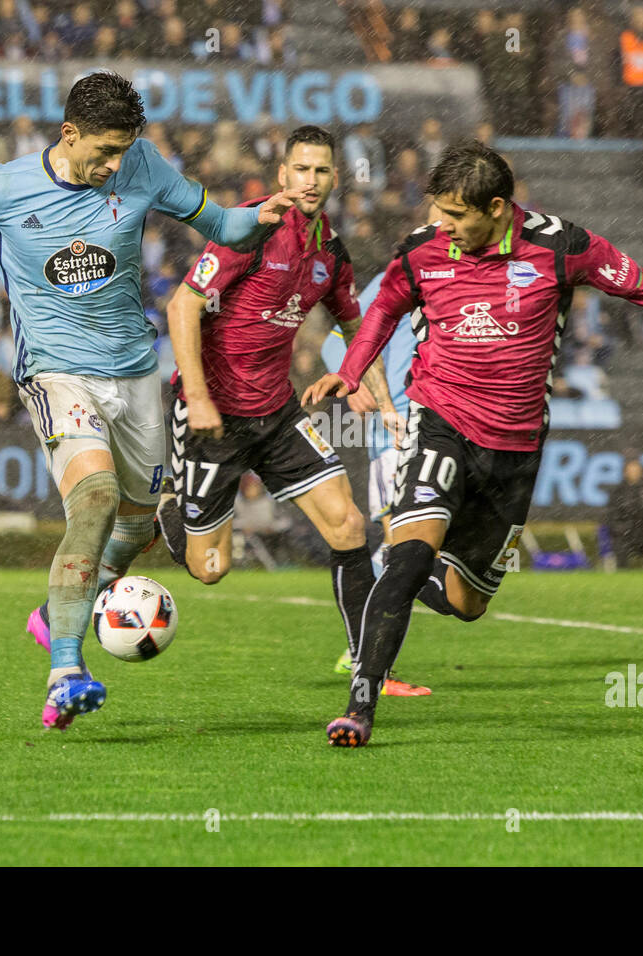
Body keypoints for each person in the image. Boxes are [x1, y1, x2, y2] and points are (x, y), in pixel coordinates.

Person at [0, 71, 307, 730]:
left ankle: (57, 614)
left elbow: (220, 223)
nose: (114, 166)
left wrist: (259, 219)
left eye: (123, 152)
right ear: (68, 134)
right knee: (94, 497)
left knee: (136, 526)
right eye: (103, 152)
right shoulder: (0, 185)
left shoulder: (143, 166)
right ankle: (66, 671)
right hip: (55, 373)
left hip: (132, 373)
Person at [303, 140, 643, 746]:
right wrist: (350, 373)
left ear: (498, 207)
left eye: (456, 216)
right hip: (439, 420)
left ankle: (421, 577)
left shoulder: (563, 247)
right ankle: (361, 704)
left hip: (515, 448)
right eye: (439, 213)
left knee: (468, 605)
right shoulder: (423, 252)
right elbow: (381, 313)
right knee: (407, 552)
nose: (442, 227)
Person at [154, 125, 426, 696]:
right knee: (211, 571)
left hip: (276, 413)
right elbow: (182, 306)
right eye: (301, 169)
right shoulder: (247, 230)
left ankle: (365, 666)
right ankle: (170, 508)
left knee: (349, 524)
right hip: (213, 416)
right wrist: (198, 399)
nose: (311, 180)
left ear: (334, 178)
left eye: (322, 171)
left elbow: (356, 323)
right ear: (283, 175)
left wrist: (369, 387)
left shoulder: (329, 248)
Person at [321, 249, 432, 695]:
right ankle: (367, 658)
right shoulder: (407, 274)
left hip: (438, 423)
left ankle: (364, 652)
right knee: (400, 544)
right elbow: (335, 340)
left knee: (411, 547)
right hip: (399, 427)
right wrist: (357, 382)